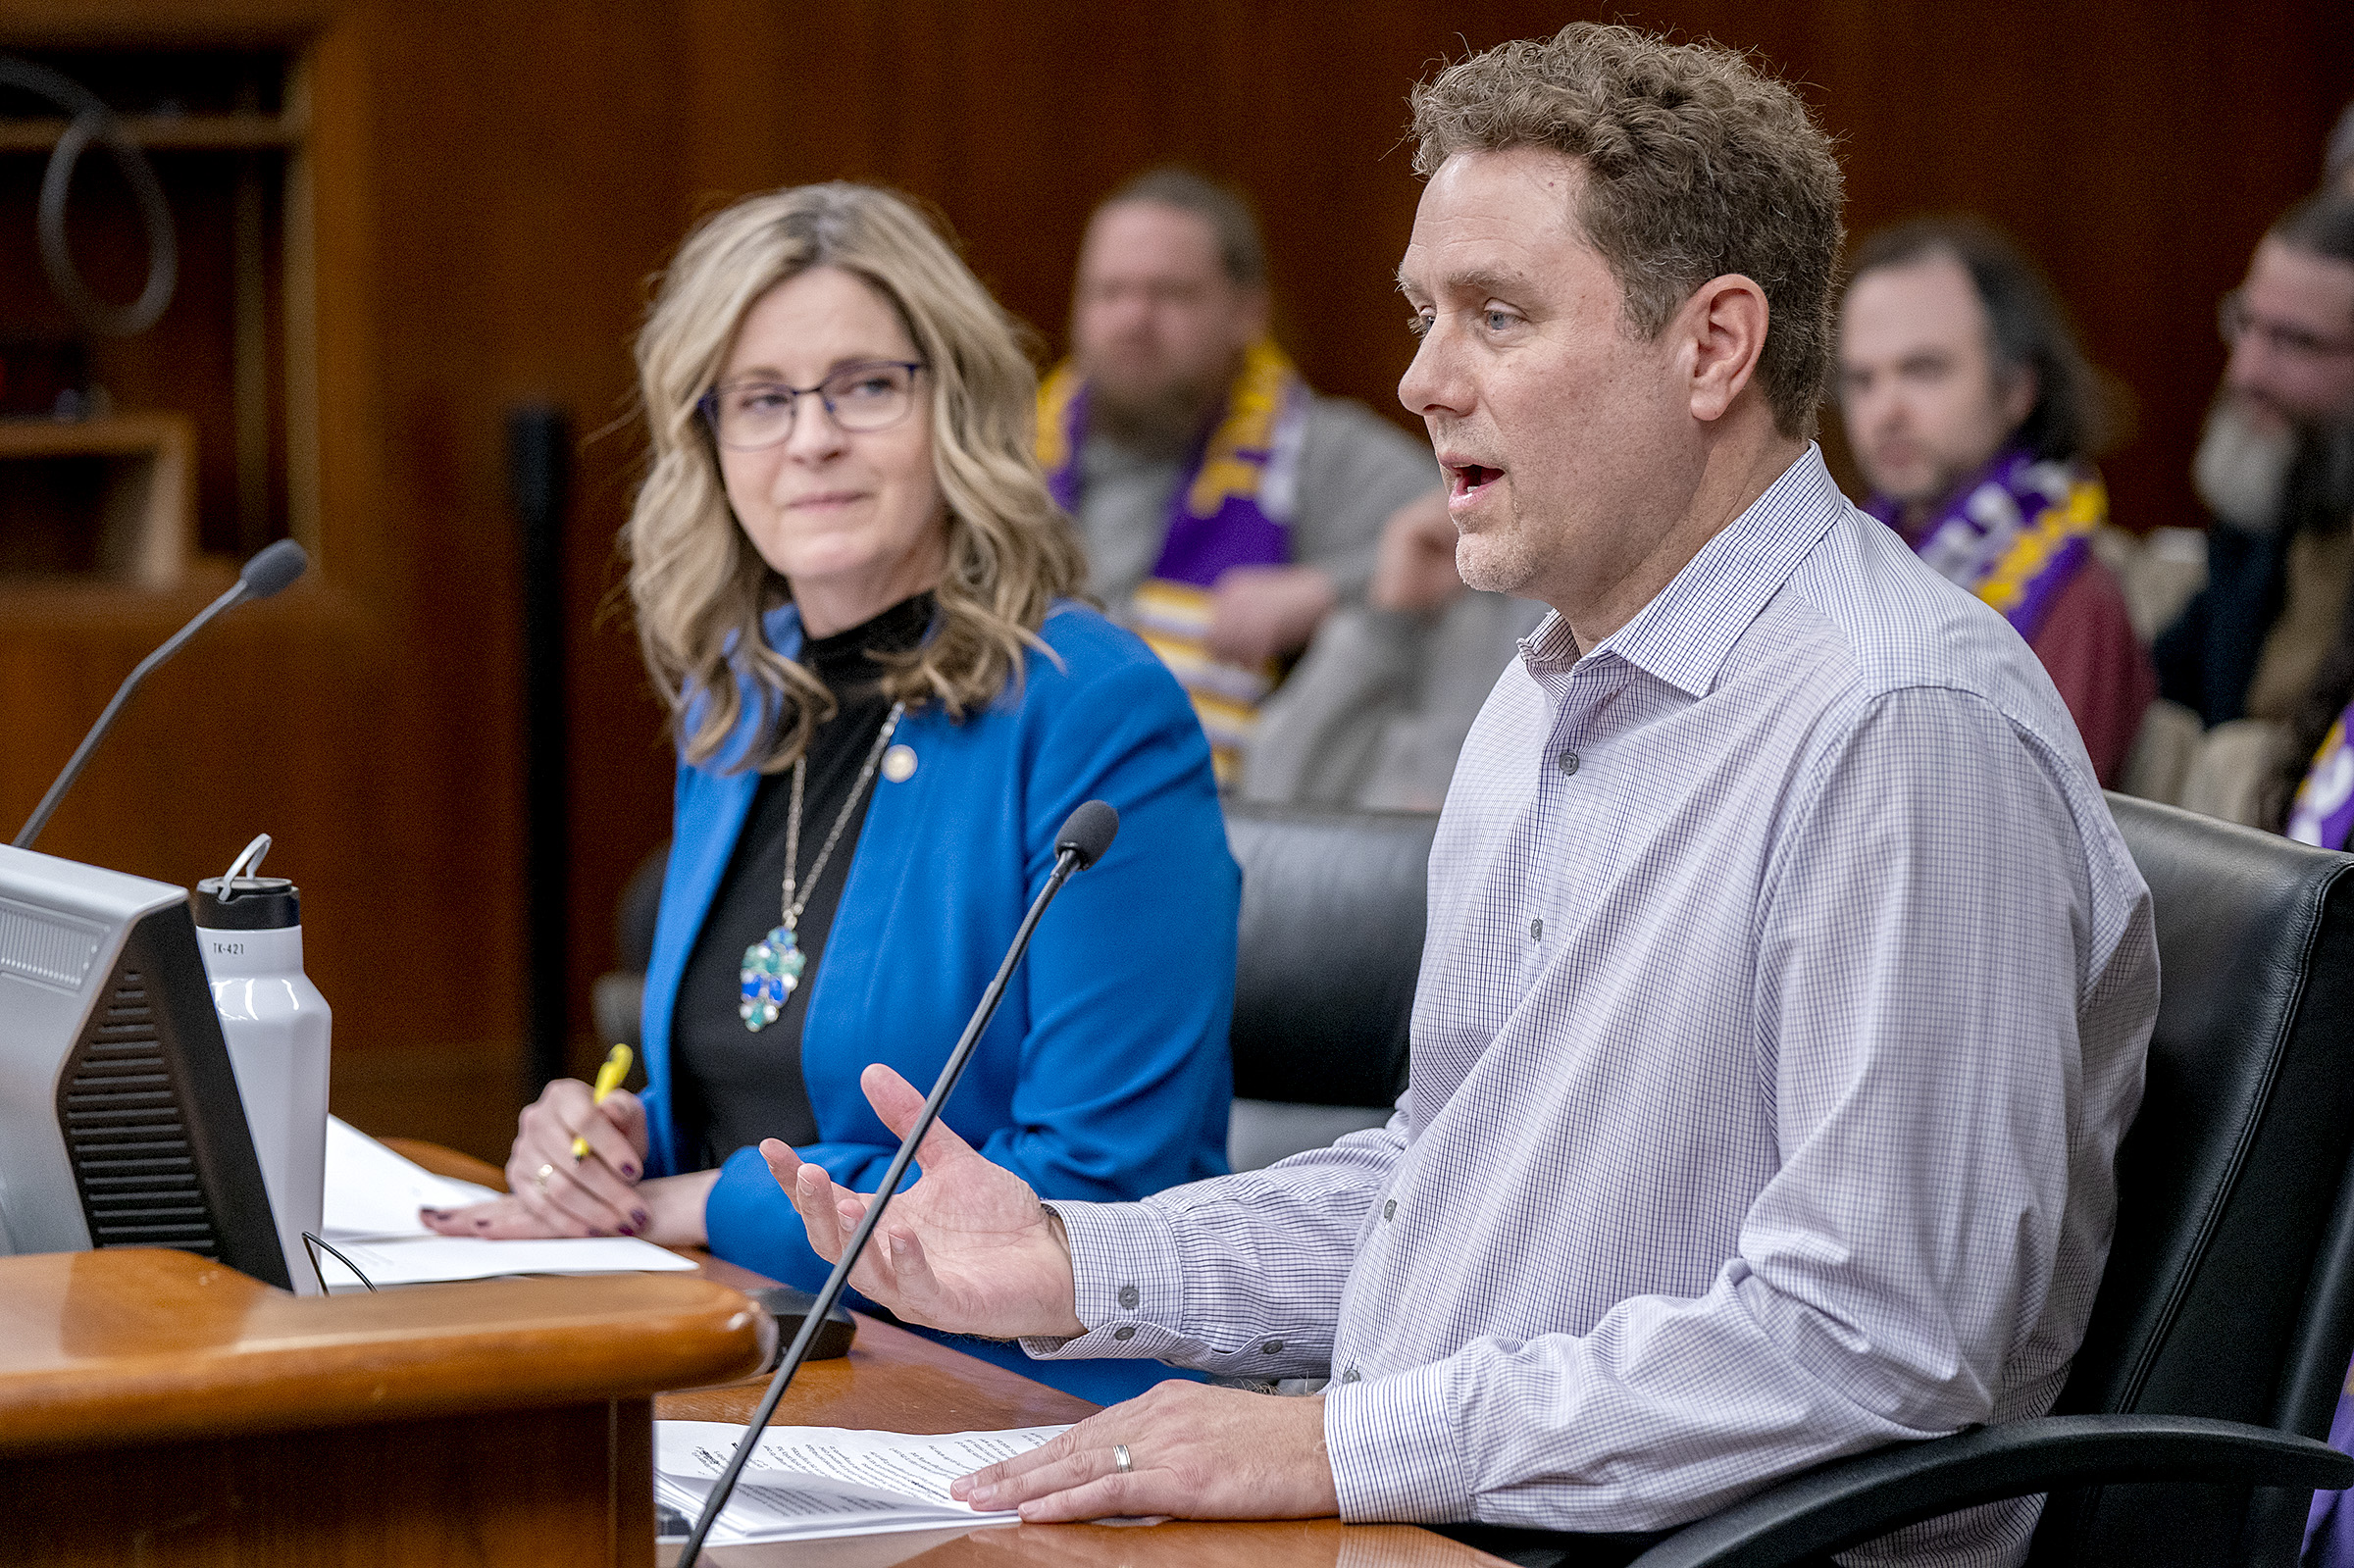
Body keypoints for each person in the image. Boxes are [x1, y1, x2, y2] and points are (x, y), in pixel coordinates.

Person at [765, 25, 2159, 1567]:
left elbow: (1879, 1334)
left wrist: (1336, 1441)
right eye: (1425, 314)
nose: (1423, 381)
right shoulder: (1549, 685)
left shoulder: (1901, 724)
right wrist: (1075, 1262)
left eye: (1497, 315)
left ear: (1713, 347)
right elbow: (1452, 1186)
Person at [422, 183, 1238, 1404]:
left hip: (1011, 1402)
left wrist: (709, 1196)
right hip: (744, 1358)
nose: (811, 439)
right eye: (762, 400)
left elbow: (1094, 1195)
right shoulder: (743, 706)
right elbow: (761, 1058)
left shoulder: (1092, 711)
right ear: (710, 441)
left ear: (950, 404)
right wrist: (616, 1138)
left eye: (865, 386)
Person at [1040, 167, 1443, 780]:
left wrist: (1323, 591)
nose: (1133, 319)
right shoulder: (1008, 458)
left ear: (1248, 313)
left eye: (1170, 293)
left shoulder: (1318, 450)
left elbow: (1475, 531)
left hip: (1242, 827)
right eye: (1108, 292)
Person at [1836, 218, 2155, 785]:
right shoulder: (1851, 551)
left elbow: (2030, 824)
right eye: (1862, 380)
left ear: (2016, 389)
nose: (1884, 411)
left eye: (1923, 370)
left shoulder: (2077, 602)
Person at [2154, 195, 2354, 730]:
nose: (2246, 372)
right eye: (2246, 324)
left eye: (2295, 341)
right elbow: (2172, 673)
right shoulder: (2272, 500)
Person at [1237, 492, 1546, 811]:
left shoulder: (1529, 625)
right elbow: (1269, 801)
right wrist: (1387, 620)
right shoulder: (1431, 566)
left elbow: (1429, 816)